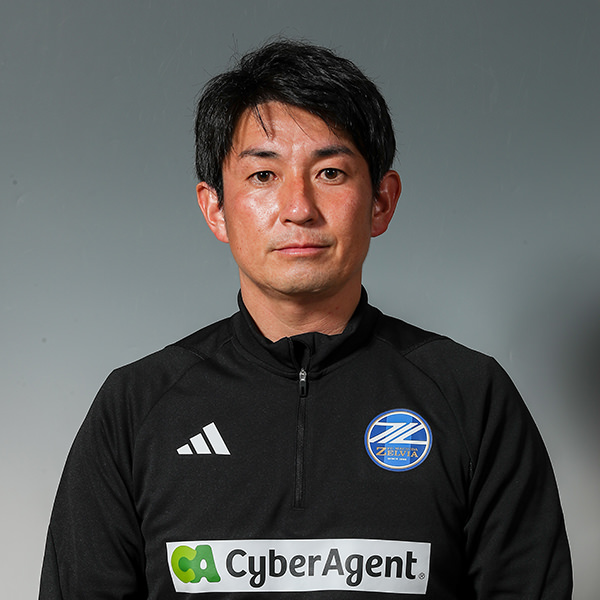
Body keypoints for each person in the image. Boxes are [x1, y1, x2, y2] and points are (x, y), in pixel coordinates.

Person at [39, 39, 572, 599]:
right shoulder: (136, 407)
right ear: (215, 208)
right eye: (263, 176)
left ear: (381, 202)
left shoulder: (470, 396)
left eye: (331, 173)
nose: (299, 208)